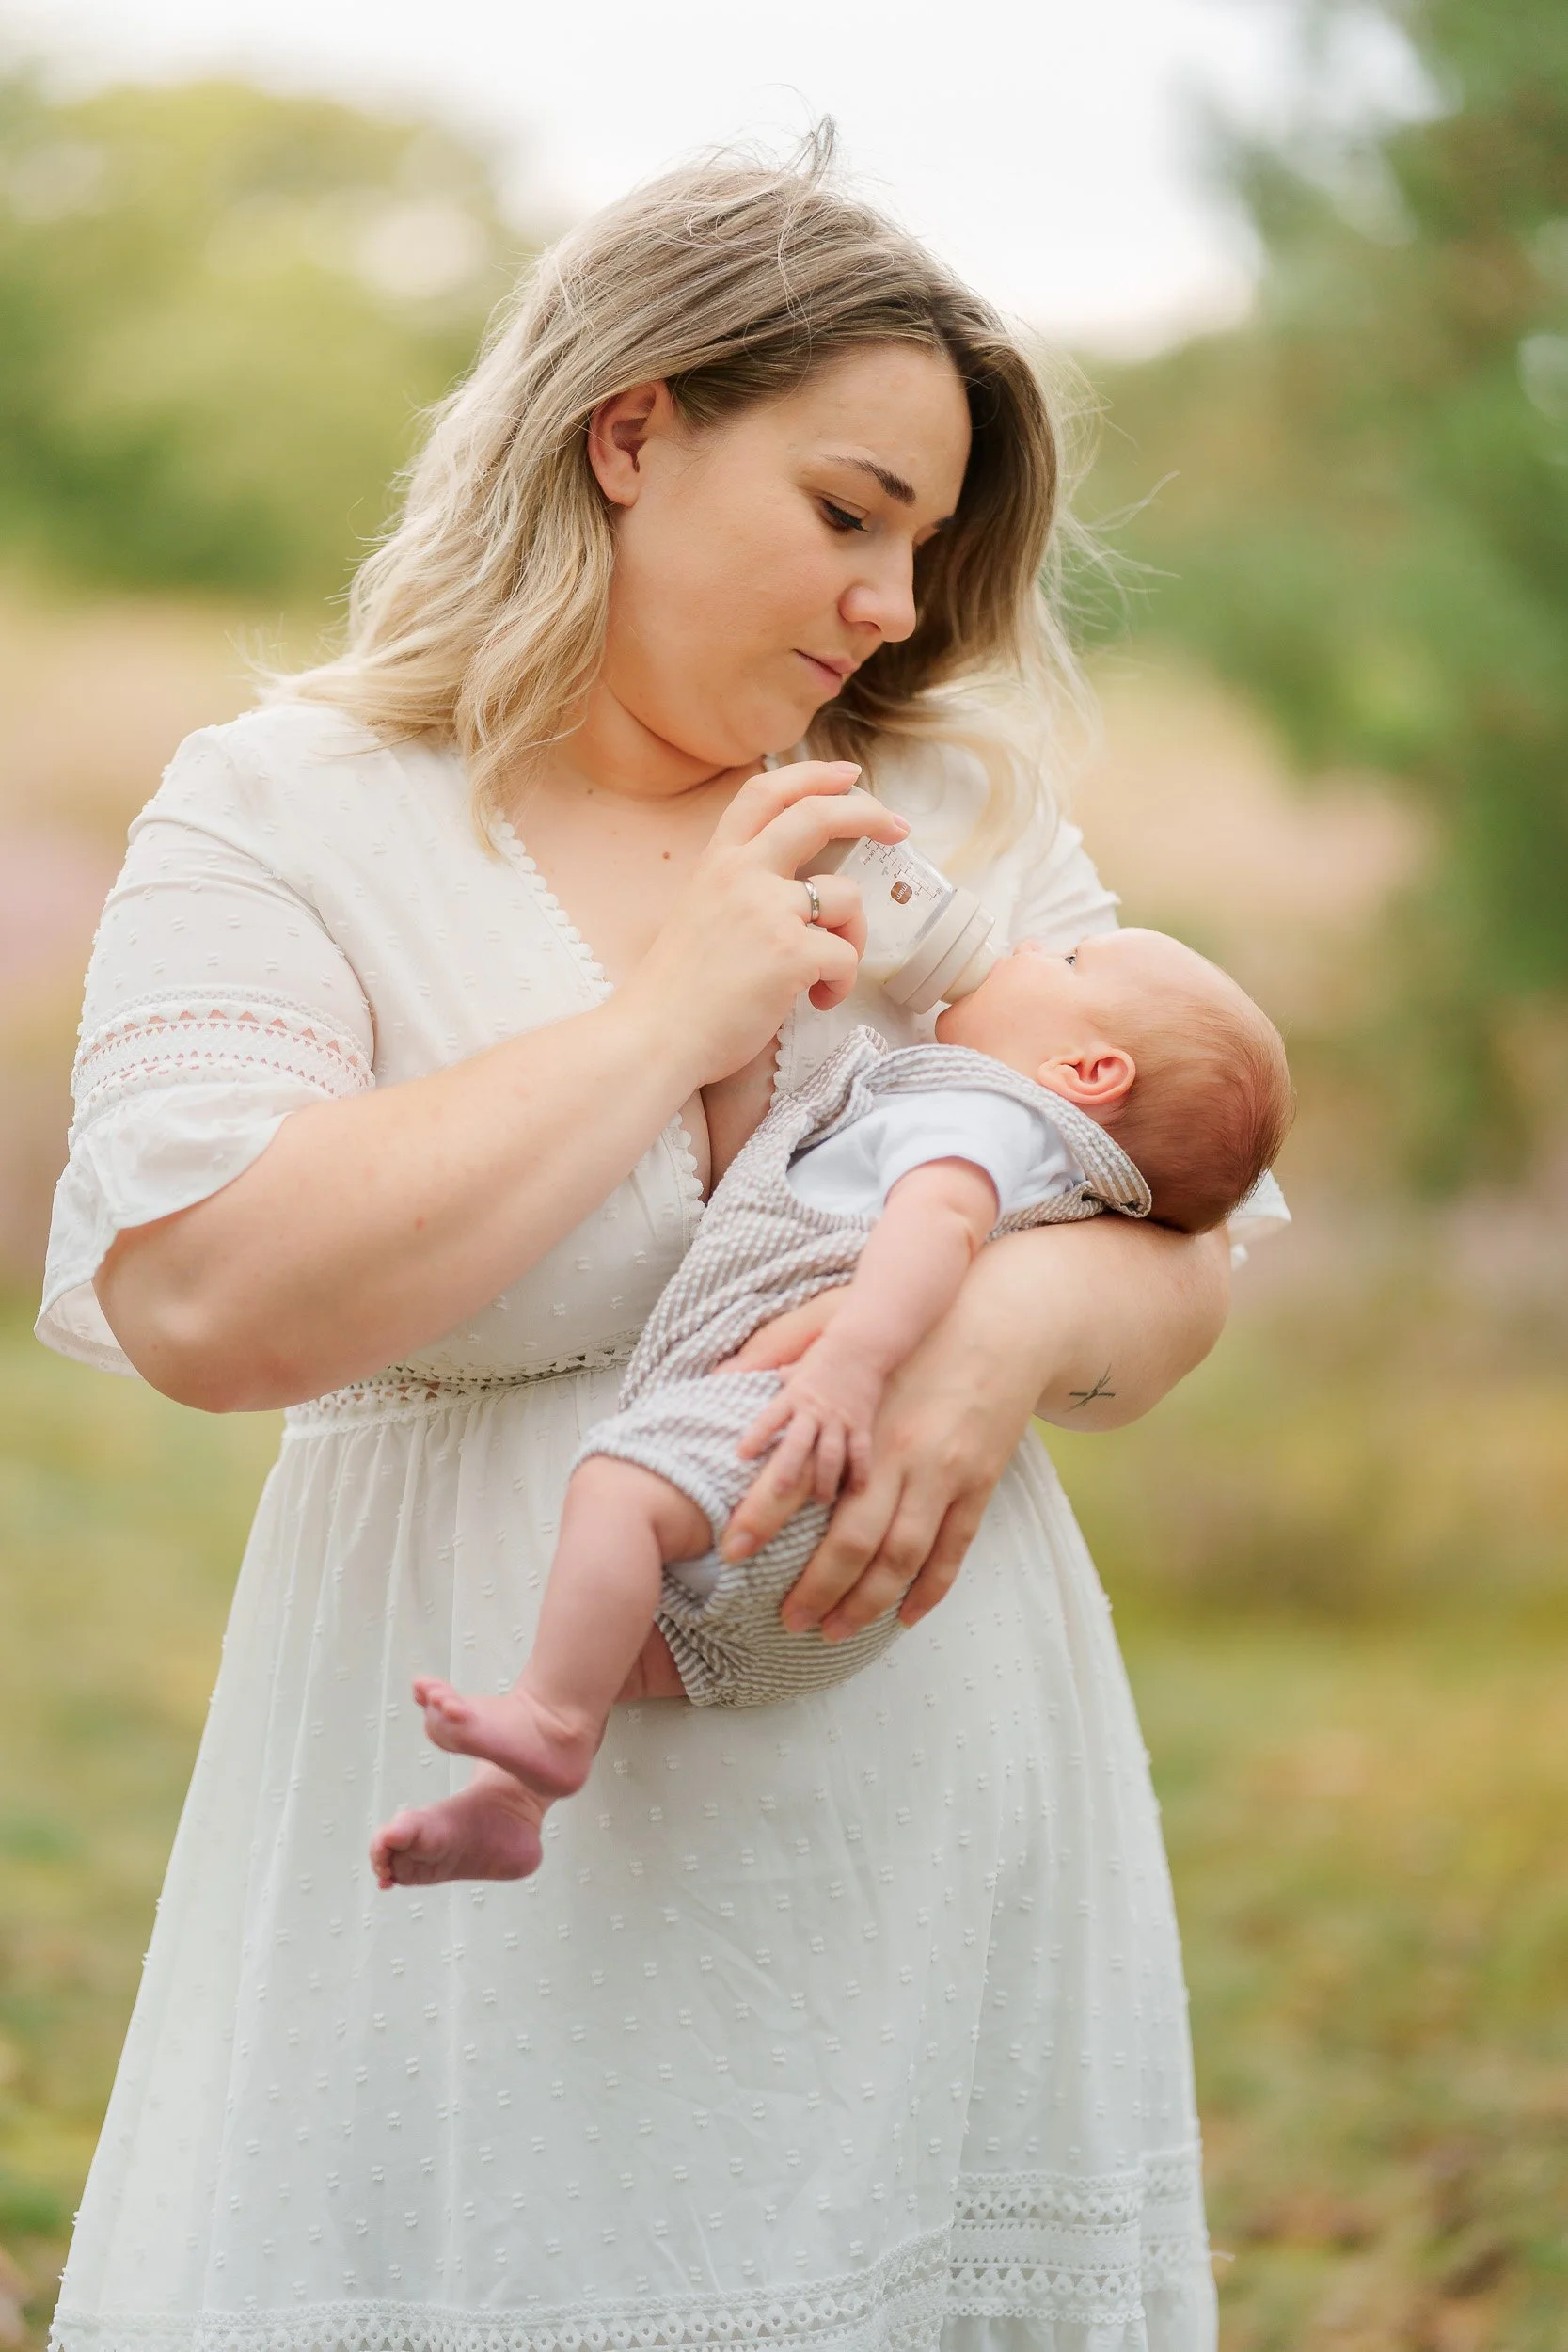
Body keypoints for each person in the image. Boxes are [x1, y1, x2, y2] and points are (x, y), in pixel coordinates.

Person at [36, 138, 1286, 2352]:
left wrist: (991, 1345)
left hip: (919, 1825)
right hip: (464, 1826)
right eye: (847, 509)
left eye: (923, 542)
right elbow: (204, 1300)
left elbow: (1194, 1247)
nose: (894, 608)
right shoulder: (289, 807)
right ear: (631, 431)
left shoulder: (960, 821)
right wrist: (663, 1023)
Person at [372, 928, 1291, 1886]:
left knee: (618, 1490)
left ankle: (550, 1725)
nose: (1023, 944)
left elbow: (933, 1224)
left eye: (1063, 961)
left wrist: (849, 1364)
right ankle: (509, 1803)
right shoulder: (1038, 1160)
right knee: (631, 1648)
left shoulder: (986, 1113)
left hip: (806, 1420)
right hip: (814, 1607)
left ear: (1088, 1068)